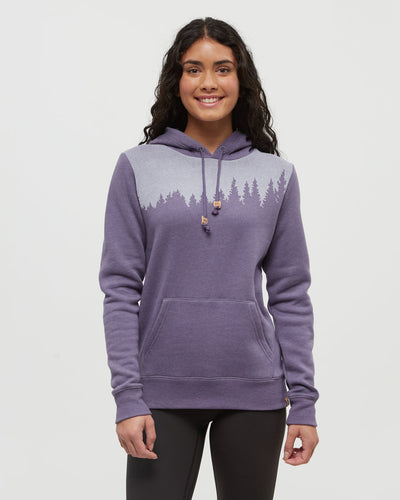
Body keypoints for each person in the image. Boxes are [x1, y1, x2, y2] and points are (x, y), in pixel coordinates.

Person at [98, 16, 319, 500]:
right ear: (176, 81)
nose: (208, 82)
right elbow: (119, 289)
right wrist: (128, 396)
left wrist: (303, 401)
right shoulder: (138, 167)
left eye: (223, 68)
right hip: (160, 392)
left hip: (255, 391)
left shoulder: (276, 175)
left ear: (242, 79)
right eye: (193, 69)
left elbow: (290, 293)